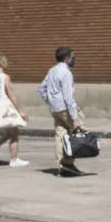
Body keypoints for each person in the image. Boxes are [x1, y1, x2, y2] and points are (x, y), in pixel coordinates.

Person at [38, 46, 85, 175]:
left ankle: (61, 165)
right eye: (72, 57)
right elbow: (68, 97)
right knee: (79, 131)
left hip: (54, 108)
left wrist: (51, 100)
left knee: (60, 134)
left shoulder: (52, 70)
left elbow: (41, 89)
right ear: (67, 58)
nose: (74, 59)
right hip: (64, 108)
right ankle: (68, 163)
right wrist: (75, 119)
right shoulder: (66, 73)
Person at [0, 54, 29, 167]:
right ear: (1, 63)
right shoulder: (4, 77)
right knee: (14, 134)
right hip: (7, 107)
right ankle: (13, 159)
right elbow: (11, 95)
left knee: (9, 133)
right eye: (5, 61)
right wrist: (20, 111)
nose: (7, 62)